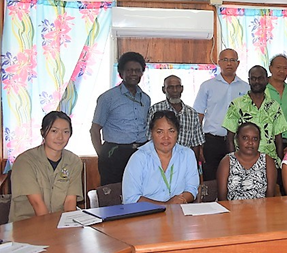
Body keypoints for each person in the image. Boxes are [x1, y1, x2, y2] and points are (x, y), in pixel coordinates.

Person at [122, 110, 199, 253]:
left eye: (171, 131)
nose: (166, 137)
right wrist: (167, 206)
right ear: (151, 133)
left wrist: (180, 200)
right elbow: (131, 198)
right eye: (159, 131)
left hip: (177, 218)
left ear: (178, 133)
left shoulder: (187, 154)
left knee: (184, 245)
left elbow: (192, 189)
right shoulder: (140, 157)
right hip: (143, 218)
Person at [217, 122, 276, 253]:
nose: (250, 143)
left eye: (254, 139)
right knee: (237, 247)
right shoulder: (227, 161)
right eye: (245, 138)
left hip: (261, 218)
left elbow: (271, 197)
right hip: (233, 219)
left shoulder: (267, 161)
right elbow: (222, 198)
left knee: (265, 247)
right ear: (237, 140)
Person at [9, 111, 83, 222]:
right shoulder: (25, 161)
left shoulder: (74, 161)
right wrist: (52, 233)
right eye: (54, 131)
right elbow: (37, 204)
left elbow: (70, 202)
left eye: (66, 132)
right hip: (26, 226)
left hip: (61, 225)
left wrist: (69, 227)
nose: (60, 137)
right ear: (43, 132)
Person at [91, 51, 151, 186]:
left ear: (142, 73)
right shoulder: (107, 98)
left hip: (140, 152)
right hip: (115, 153)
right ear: (121, 73)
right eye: (129, 70)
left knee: (141, 191)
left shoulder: (146, 99)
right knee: (113, 196)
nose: (134, 74)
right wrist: (103, 156)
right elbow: (94, 130)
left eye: (137, 70)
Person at [194, 48, 250, 181]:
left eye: (232, 60)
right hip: (212, 141)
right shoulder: (207, 86)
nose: (229, 63)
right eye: (225, 60)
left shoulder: (246, 88)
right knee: (211, 179)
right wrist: (199, 144)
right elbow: (199, 116)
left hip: (238, 142)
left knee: (236, 179)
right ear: (219, 62)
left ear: (238, 63)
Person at [223, 65, 287, 168]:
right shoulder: (236, 105)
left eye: (260, 78)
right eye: (253, 78)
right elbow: (230, 138)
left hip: (270, 162)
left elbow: (278, 139)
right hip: (243, 162)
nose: (257, 81)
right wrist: (235, 163)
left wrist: (279, 162)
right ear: (249, 81)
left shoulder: (274, 106)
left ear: (267, 80)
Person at [147, 75, 205, 163]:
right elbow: (149, 138)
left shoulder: (192, 113)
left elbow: (196, 144)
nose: (175, 91)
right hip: (160, 160)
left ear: (182, 89)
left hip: (184, 161)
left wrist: (193, 164)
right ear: (164, 90)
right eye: (170, 87)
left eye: (177, 87)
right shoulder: (155, 109)